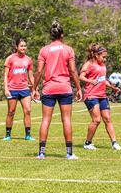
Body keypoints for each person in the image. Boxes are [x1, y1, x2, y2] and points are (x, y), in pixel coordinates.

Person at [32, 21, 82, 160]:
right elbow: (72, 70)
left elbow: (39, 71)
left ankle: (41, 153)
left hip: (49, 89)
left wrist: (34, 88)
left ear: (51, 35)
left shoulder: (44, 50)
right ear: (62, 35)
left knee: (45, 120)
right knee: (66, 119)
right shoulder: (68, 49)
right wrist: (79, 88)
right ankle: (69, 153)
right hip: (65, 88)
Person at [79, 43, 121, 151]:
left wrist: (113, 88)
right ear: (96, 55)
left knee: (107, 119)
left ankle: (114, 143)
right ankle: (87, 143)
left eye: (106, 57)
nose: (105, 59)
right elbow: (81, 77)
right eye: (103, 57)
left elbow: (103, 80)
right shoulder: (88, 64)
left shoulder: (103, 65)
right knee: (97, 120)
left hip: (102, 95)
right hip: (91, 96)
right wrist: (90, 81)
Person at [3, 38, 35, 141]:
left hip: (25, 89)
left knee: (28, 111)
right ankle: (8, 135)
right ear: (16, 47)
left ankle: (28, 135)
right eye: (21, 46)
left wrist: (35, 89)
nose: (23, 47)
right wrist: (6, 89)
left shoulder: (28, 59)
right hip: (12, 89)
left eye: (25, 46)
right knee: (11, 112)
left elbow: (31, 76)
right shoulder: (10, 59)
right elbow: (5, 75)